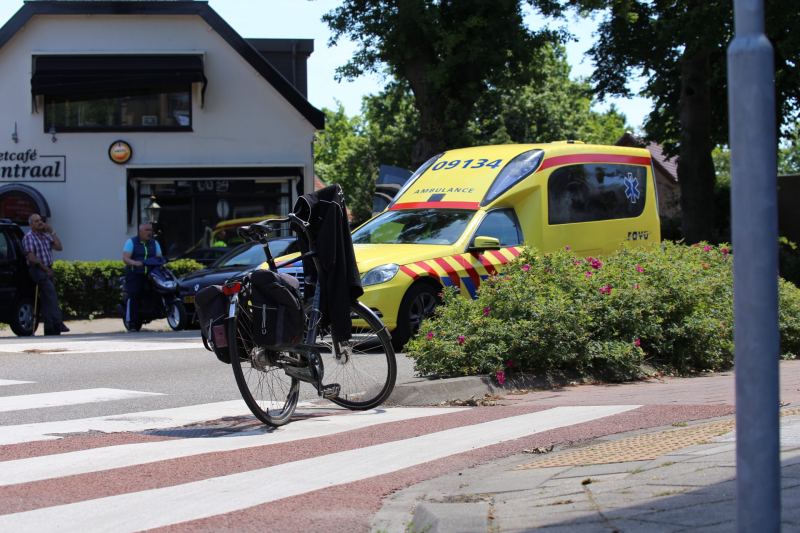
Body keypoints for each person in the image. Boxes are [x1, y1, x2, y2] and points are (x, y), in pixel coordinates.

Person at [22, 214, 68, 336]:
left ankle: (49, 327)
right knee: (51, 292)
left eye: (40, 220)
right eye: (36, 221)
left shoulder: (45, 237)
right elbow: (31, 258)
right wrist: (45, 269)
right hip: (37, 269)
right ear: (31, 225)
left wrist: (52, 232)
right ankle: (57, 321)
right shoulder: (29, 237)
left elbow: (58, 247)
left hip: (48, 268)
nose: (40, 222)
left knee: (47, 298)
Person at [122, 223, 162, 331]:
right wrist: (134, 263)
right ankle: (132, 322)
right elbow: (125, 258)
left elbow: (159, 258)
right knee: (134, 293)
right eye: (146, 230)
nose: (149, 232)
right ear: (140, 231)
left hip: (150, 273)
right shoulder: (131, 242)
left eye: (150, 230)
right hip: (135, 273)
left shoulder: (155, 243)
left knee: (160, 289)